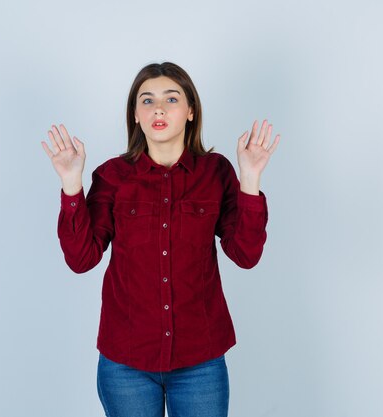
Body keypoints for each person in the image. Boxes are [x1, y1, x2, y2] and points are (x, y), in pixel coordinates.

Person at [41, 61, 280, 417]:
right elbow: (81, 259)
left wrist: (250, 178)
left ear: (190, 111)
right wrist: (71, 183)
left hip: (201, 361)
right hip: (126, 363)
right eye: (147, 100)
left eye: (171, 98)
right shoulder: (112, 176)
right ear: (135, 115)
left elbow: (245, 254)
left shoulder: (216, 172)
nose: (159, 109)